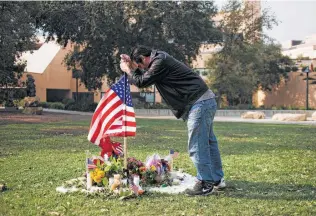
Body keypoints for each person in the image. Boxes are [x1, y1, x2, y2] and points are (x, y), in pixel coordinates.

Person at [120, 45, 225, 196]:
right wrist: (133, 66)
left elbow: (142, 81)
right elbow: (143, 76)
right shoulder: (160, 58)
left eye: (140, 65)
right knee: (208, 142)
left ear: (143, 59)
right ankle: (216, 179)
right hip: (204, 101)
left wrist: (127, 69)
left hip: (199, 103)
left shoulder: (159, 62)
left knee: (197, 144)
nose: (141, 68)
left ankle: (205, 183)